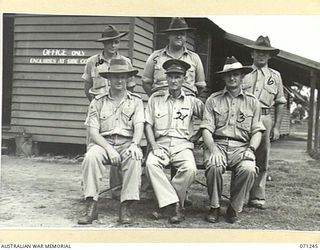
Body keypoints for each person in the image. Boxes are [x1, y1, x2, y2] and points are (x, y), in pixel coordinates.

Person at [78, 58, 144, 225]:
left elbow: (138, 126)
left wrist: (135, 144)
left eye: (123, 76)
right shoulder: (98, 101)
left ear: (128, 78)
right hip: (103, 143)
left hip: (127, 143)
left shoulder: (136, 101)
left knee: (135, 157)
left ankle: (126, 206)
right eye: (115, 77)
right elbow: (93, 131)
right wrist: (109, 149)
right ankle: (91, 205)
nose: (119, 80)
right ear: (109, 79)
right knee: (90, 157)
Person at [200, 56, 265, 223]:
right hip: (219, 144)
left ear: (242, 76)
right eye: (228, 75)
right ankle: (214, 206)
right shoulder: (213, 100)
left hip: (242, 146)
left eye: (236, 74)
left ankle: (234, 208)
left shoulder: (252, 102)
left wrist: (251, 150)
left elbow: (257, 131)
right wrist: (213, 149)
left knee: (249, 168)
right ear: (223, 77)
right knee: (214, 165)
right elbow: (206, 129)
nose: (232, 78)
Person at [144, 59, 204, 224]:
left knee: (190, 169)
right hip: (161, 145)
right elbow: (148, 124)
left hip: (182, 146)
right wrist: (154, 146)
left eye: (178, 76)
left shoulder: (192, 101)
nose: (173, 80)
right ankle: (175, 205)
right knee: (151, 165)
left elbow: (209, 119)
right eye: (170, 76)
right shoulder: (155, 99)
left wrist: (197, 136)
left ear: (184, 79)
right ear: (166, 78)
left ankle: (164, 204)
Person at [82, 25, 136, 200]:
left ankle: (117, 191)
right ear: (104, 44)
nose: (114, 45)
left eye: (117, 42)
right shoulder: (92, 62)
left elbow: (131, 87)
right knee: (93, 152)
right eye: (110, 42)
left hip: (121, 109)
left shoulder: (125, 62)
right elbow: (87, 86)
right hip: (99, 111)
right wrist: (96, 106)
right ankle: (89, 194)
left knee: (120, 147)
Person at [242, 36, 287, 209]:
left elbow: (280, 102)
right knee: (241, 154)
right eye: (258, 52)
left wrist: (276, 127)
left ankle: (257, 196)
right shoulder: (243, 73)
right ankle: (237, 193)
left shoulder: (275, 76)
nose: (261, 55)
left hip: (265, 117)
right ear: (252, 53)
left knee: (262, 156)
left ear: (270, 56)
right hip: (244, 117)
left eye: (265, 53)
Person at [142, 17, 206, 97]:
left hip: (186, 101)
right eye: (175, 33)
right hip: (161, 101)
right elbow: (146, 82)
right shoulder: (155, 56)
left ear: (186, 37)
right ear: (168, 36)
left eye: (182, 34)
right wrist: (155, 100)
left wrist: (190, 100)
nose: (179, 36)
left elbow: (201, 86)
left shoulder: (194, 58)